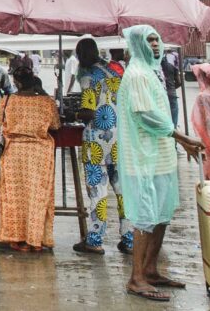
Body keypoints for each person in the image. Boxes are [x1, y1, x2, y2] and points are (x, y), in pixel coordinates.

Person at [116, 25, 204, 302]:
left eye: (157, 40)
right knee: (145, 217)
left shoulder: (153, 71)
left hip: (160, 156)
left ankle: (151, 270)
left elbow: (160, 114)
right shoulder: (137, 74)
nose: (155, 44)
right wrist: (182, 137)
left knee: (162, 215)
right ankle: (136, 278)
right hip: (143, 158)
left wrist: (179, 142)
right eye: (149, 40)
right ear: (137, 45)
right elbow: (146, 116)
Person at [73, 36, 132, 256]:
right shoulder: (115, 72)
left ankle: (95, 239)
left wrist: (75, 114)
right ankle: (129, 239)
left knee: (97, 191)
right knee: (122, 191)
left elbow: (88, 112)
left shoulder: (87, 75)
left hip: (96, 142)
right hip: (119, 140)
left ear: (80, 55)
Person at [0, 66, 60, 252]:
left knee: (14, 197)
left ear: (16, 82)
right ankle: (35, 239)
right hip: (39, 154)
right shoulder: (47, 102)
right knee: (37, 196)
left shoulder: (7, 101)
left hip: (14, 154)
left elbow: (0, 125)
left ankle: (16, 238)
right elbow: (55, 125)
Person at [161, 52, 181, 127]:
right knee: (173, 123)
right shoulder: (172, 66)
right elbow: (179, 82)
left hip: (160, 95)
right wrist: (172, 88)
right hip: (172, 94)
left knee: (163, 123)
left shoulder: (156, 67)